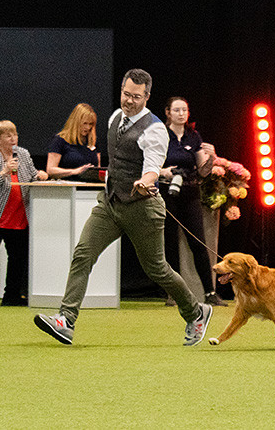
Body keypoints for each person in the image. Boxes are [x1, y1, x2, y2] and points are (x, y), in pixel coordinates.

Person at [34, 69, 212, 346]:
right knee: (83, 254)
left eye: (136, 97)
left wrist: (146, 179)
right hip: (111, 203)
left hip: (143, 208)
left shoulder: (154, 129)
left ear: (147, 97)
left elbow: (153, 165)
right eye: (125, 94)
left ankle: (196, 311)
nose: (129, 101)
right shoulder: (115, 117)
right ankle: (66, 320)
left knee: (157, 269)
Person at [0, 120, 48, 306]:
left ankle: (11, 296)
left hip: (18, 215)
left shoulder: (23, 154)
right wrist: (4, 172)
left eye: (15, 134)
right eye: (8, 135)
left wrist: (40, 175)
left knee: (17, 258)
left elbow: (31, 176)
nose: (14, 138)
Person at [157, 96, 225, 306]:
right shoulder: (159, 134)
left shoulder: (193, 136)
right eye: (176, 110)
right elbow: (149, 165)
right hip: (167, 192)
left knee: (198, 243)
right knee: (170, 244)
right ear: (168, 112)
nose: (181, 114)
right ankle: (173, 294)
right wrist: (165, 172)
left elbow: (203, 171)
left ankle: (209, 293)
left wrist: (211, 156)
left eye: (184, 110)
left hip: (190, 192)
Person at [46, 103, 101, 181]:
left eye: (91, 124)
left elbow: (98, 168)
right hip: (68, 188)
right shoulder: (60, 140)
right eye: (85, 123)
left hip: (90, 188)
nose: (88, 127)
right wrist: (75, 171)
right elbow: (50, 170)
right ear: (76, 122)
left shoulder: (93, 141)